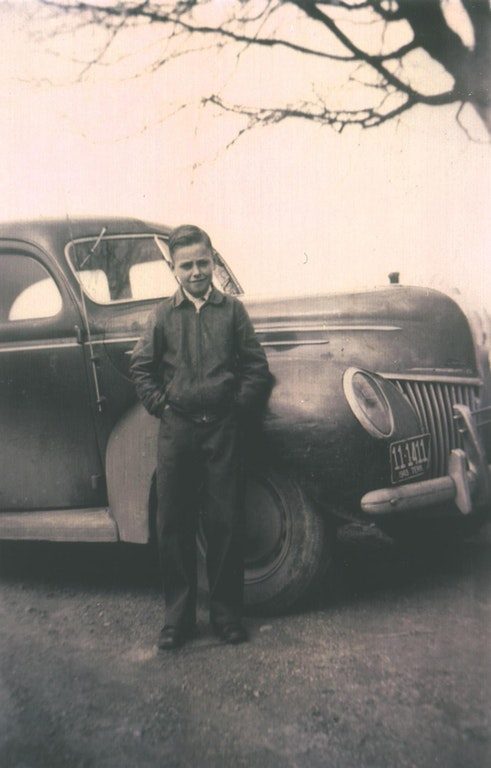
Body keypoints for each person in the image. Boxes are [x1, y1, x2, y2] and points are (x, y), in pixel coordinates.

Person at [130, 225, 271, 649]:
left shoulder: (232, 312)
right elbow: (140, 367)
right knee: (174, 523)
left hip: (222, 432)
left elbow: (255, 367)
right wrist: (162, 405)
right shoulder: (161, 316)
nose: (196, 272)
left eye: (203, 263)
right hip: (178, 432)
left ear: (213, 262)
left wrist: (236, 412)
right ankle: (178, 620)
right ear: (173, 269)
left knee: (225, 523)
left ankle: (227, 616)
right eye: (186, 265)